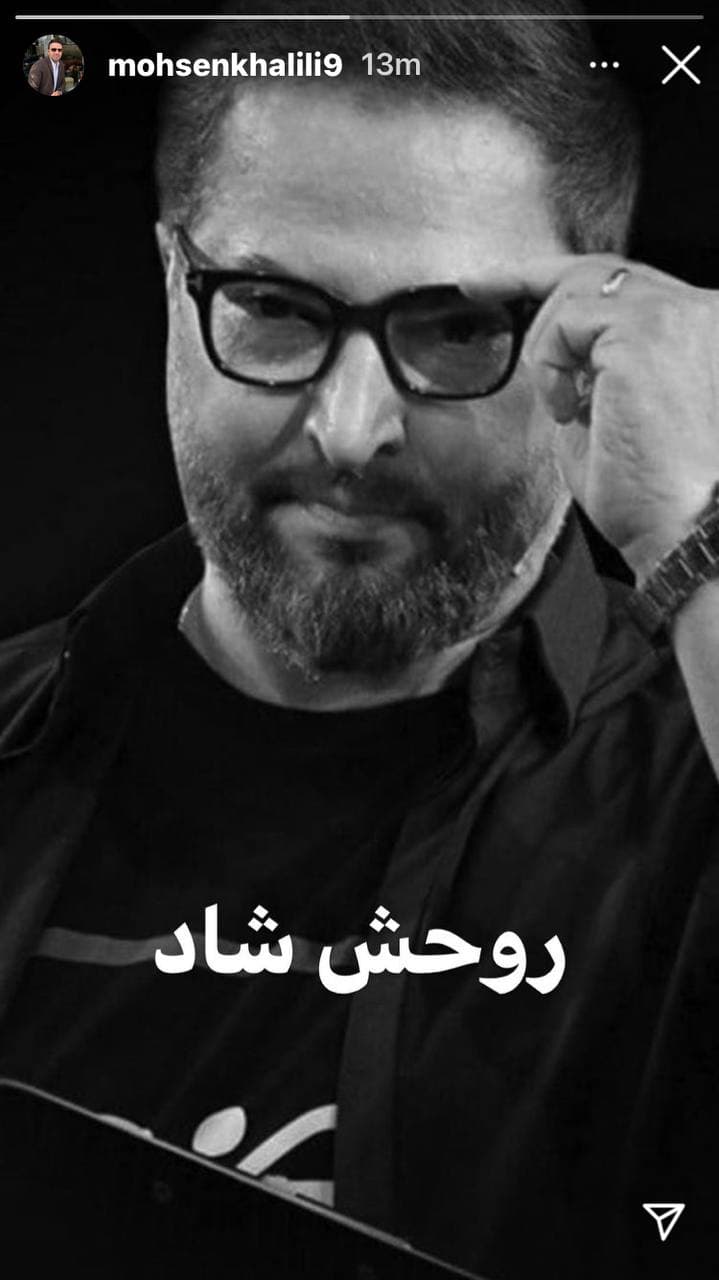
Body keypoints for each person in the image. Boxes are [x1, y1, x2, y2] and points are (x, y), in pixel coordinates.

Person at [1, 4, 718, 1278]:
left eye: (456, 328)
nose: (349, 429)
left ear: (597, 336)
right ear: (171, 279)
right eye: (275, 305)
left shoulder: (687, 793)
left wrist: (697, 531)